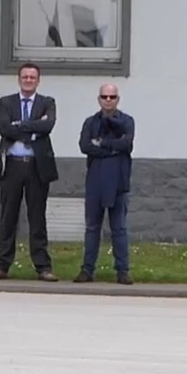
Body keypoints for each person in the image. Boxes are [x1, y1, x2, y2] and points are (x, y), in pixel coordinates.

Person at [0, 62, 59, 282]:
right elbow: (4, 128)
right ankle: (1, 266)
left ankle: (43, 267)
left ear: (38, 80)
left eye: (32, 77)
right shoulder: (6, 102)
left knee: (37, 217)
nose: (28, 80)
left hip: (37, 166)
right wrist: (33, 127)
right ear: (19, 79)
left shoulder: (47, 102)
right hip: (12, 164)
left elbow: (48, 127)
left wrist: (20, 126)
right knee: (8, 217)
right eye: (25, 77)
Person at [76, 83, 134, 284]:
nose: (108, 100)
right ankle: (87, 270)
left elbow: (127, 144)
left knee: (119, 228)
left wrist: (101, 144)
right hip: (96, 181)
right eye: (104, 96)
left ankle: (122, 270)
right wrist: (112, 150)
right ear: (99, 99)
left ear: (118, 99)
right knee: (92, 228)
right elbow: (85, 146)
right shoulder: (90, 122)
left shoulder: (127, 121)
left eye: (112, 97)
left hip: (119, 181)